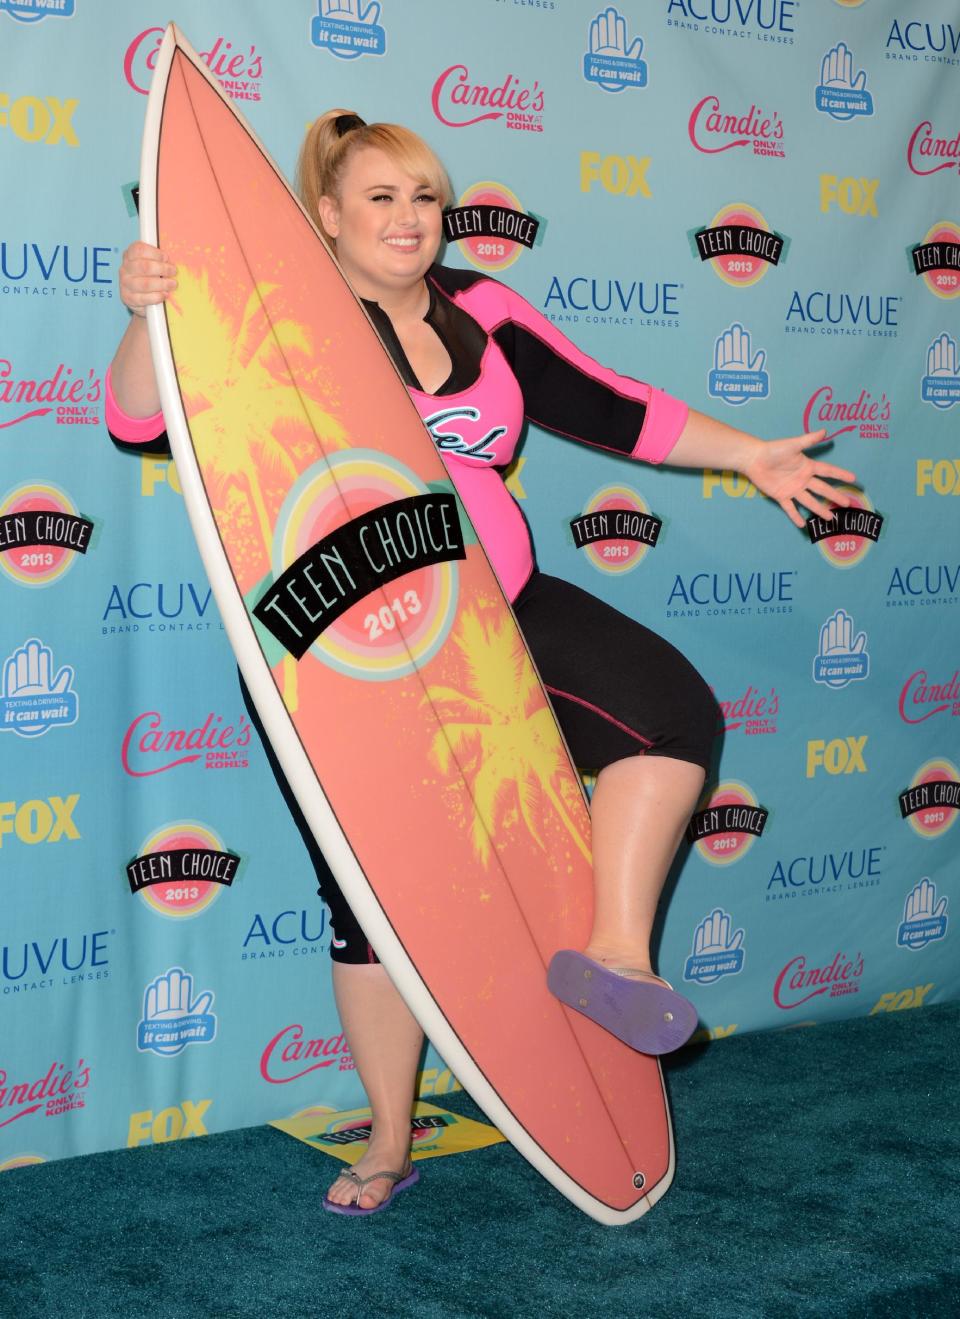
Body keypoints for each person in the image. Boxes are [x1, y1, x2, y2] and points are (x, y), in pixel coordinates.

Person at [107, 111, 856, 1214]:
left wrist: (747, 451)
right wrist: (146, 314)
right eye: (380, 199)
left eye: (424, 199)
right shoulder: (280, 313)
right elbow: (137, 419)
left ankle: (612, 955)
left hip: (498, 615)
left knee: (673, 716)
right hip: (332, 649)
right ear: (326, 214)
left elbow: (613, 405)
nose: (410, 220)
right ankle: (389, 1140)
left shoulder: (484, 309)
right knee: (371, 897)